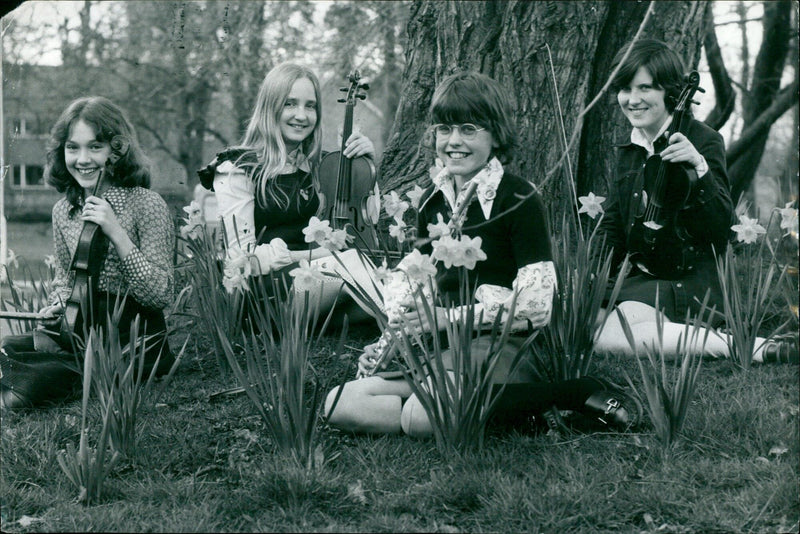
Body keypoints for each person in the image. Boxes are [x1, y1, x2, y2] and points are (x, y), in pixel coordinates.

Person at [325, 72, 638, 437]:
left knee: (418, 418)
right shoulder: (432, 200)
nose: (454, 141)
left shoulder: (518, 198)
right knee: (339, 404)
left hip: (500, 344)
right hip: (445, 347)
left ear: (495, 134)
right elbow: (421, 282)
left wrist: (446, 318)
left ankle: (573, 392)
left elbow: (536, 305)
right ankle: (505, 412)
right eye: (445, 129)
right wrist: (390, 343)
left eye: (469, 129)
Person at [594, 39, 796, 364]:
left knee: (610, 337)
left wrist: (699, 169)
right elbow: (615, 223)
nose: (632, 100)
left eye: (644, 88)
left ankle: (755, 347)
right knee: (585, 324)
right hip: (642, 276)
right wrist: (588, 274)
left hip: (689, 278)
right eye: (624, 88)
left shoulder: (704, 140)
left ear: (670, 92)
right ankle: (691, 336)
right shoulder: (631, 150)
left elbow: (721, 231)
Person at [0, 96, 175, 409]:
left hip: (132, 340)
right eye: (73, 147)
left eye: (95, 147)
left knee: (33, 381)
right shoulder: (63, 210)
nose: (83, 159)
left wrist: (117, 233)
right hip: (83, 335)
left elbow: (160, 294)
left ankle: (32, 384)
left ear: (117, 151)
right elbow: (68, 280)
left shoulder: (146, 204)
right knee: (7, 346)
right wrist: (58, 305)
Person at [197, 62, 380, 322]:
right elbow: (241, 258)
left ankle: (410, 324)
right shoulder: (237, 169)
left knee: (384, 289)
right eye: (290, 104)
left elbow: (367, 223)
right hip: (266, 292)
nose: (302, 115)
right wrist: (311, 256)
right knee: (352, 267)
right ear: (270, 107)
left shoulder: (320, 166)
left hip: (316, 279)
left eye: (310, 106)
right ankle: (411, 324)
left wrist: (368, 166)